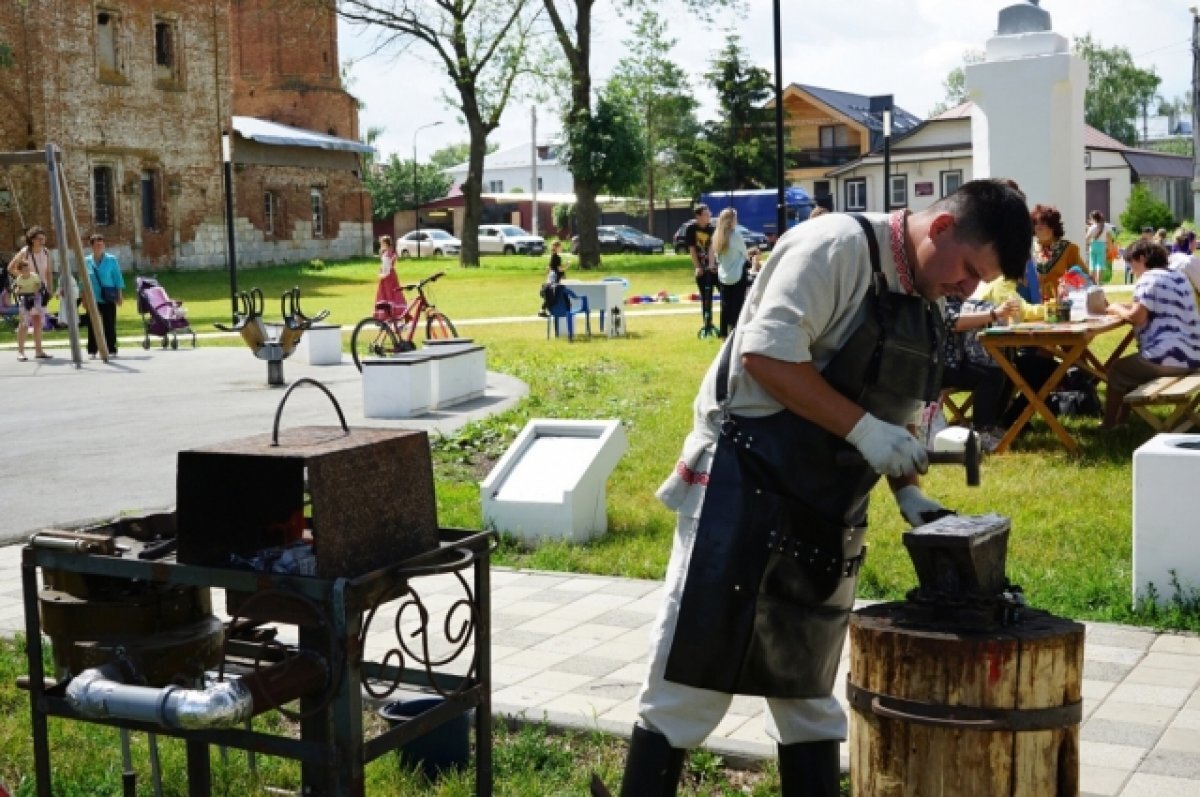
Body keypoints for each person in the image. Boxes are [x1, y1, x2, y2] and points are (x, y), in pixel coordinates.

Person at [616, 179, 1032, 796]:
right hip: (742, 484)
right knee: (687, 691)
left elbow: (898, 410)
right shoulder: (834, 247)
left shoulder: (921, 294)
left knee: (807, 696)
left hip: (827, 510)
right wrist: (864, 430)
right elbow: (765, 354)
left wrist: (908, 490)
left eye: (980, 282)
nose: (968, 290)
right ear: (940, 228)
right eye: (969, 271)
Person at [1101, 240, 1200, 429]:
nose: (1133, 271)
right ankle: (1122, 421)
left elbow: (1136, 317)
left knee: (1118, 369)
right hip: (1194, 356)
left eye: (1132, 265)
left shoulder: (1148, 277)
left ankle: (1109, 425)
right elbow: (1156, 307)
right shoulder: (1178, 277)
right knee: (1132, 367)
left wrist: (1113, 307)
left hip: (1171, 358)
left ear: (1142, 258)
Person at [940, 291, 1021, 452]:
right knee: (990, 375)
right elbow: (955, 322)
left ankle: (991, 424)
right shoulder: (935, 300)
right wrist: (994, 314)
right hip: (939, 368)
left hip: (957, 362)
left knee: (1008, 370)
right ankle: (981, 430)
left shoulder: (954, 297)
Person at [6, 225, 55, 360]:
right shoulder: (25, 251)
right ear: (32, 239)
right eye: (39, 239)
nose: (42, 241)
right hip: (26, 293)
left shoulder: (46, 252)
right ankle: (20, 352)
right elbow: (10, 267)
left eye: (43, 238)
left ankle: (39, 351)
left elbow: (48, 272)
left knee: (38, 321)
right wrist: (23, 278)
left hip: (40, 291)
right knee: (24, 322)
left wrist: (50, 288)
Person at [1031, 204, 1087, 300]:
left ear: (1052, 226)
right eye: (1035, 223)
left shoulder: (1068, 248)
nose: (1038, 226)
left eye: (1043, 222)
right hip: (1034, 305)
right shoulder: (1029, 249)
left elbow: (1083, 275)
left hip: (1060, 304)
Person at [83, 233, 124, 358]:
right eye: (97, 245)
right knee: (93, 324)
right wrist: (84, 298)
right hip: (93, 297)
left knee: (109, 323)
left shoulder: (111, 260)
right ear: (91, 246)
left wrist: (119, 295)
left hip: (108, 296)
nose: (100, 247)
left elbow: (117, 278)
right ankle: (92, 350)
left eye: (102, 244)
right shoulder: (86, 261)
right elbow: (82, 281)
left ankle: (111, 348)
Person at [712, 208, 748, 338]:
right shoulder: (736, 235)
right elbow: (744, 253)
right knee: (737, 305)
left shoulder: (717, 236)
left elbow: (717, 257)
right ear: (732, 220)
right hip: (737, 274)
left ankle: (723, 333)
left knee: (725, 305)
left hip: (723, 274)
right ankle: (735, 331)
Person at [683, 204, 716, 330]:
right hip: (700, 266)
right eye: (706, 214)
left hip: (713, 265)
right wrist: (698, 267)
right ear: (698, 216)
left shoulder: (712, 229)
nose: (709, 216)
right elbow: (692, 249)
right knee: (706, 296)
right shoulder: (691, 229)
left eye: (709, 214)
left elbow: (712, 249)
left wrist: (712, 265)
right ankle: (707, 323)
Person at [375, 235, 406, 313]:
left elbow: (387, 269)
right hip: (392, 276)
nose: (381, 245)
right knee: (394, 293)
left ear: (385, 244)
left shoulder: (386, 255)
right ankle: (395, 310)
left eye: (381, 243)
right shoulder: (390, 252)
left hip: (387, 278)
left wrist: (381, 276)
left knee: (387, 294)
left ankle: (388, 313)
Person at [1084, 210, 1112, 286]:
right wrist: (1109, 247)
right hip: (1102, 245)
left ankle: (1092, 282)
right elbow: (1109, 238)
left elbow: (1087, 238)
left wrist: (1086, 246)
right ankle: (1099, 282)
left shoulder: (1092, 227)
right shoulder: (1105, 226)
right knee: (1100, 264)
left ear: (1093, 218)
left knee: (1092, 264)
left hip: (1092, 245)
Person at [538, 240, 566, 317]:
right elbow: (559, 269)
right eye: (560, 247)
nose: (561, 248)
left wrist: (547, 274)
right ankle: (546, 310)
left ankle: (543, 310)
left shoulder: (552, 256)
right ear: (557, 247)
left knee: (549, 293)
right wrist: (567, 265)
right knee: (552, 293)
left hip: (551, 276)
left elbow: (549, 267)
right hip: (554, 277)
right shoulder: (557, 257)